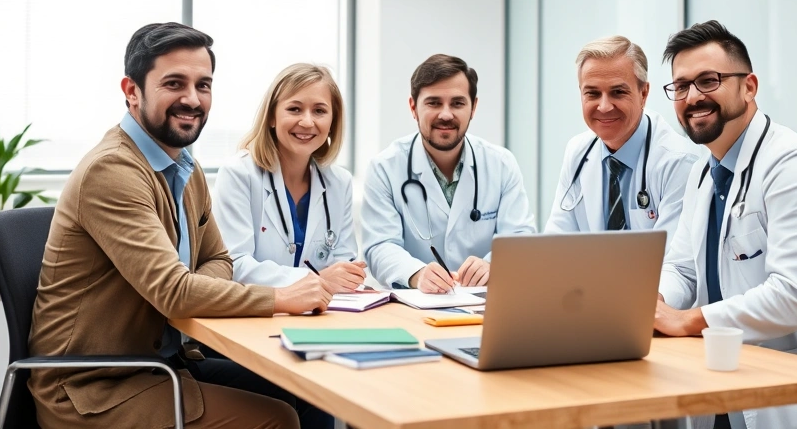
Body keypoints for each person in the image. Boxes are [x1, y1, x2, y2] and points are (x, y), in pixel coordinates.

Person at [28, 22, 336, 429]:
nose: (192, 99)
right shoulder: (112, 170)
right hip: (94, 386)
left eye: (203, 85)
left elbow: (219, 259)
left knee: (307, 387)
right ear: (132, 91)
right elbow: (174, 293)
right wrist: (280, 297)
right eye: (174, 84)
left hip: (162, 364)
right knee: (277, 418)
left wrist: (189, 287)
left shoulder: (185, 167)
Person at [653, 20, 797, 429]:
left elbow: (793, 297)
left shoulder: (796, 165)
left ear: (749, 86)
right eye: (681, 86)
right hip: (726, 389)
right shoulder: (703, 174)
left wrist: (685, 320)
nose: (693, 97)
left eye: (708, 80)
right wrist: (652, 304)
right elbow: (683, 268)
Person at [360, 54, 536, 292]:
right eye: (433, 103)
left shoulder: (501, 164)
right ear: (413, 107)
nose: (445, 114)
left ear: (473, 107)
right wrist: (417, 274)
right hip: (414, 303)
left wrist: (492, 265)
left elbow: (520, 238)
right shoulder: (384, 168)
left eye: (457, 103)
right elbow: (380, 246)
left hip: (484, 302)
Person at [214, 64, 365, 293]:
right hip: (260, 310)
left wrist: (349, 277)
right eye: (294, 109)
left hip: (325, 310)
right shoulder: (238, 174)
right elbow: (235, 265)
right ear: (272, 117)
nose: (307, 122)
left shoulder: (339, 182)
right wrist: (316, 279)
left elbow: (344, 264)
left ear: (332, 122)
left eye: (319, 111)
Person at [543, 35, 699, 243]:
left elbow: (671, 257)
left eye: (617, 92)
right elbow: (555, 246)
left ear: (643, 94)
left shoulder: (679, 162)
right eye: (592, 93)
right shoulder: (578, 152)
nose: (604, 106)